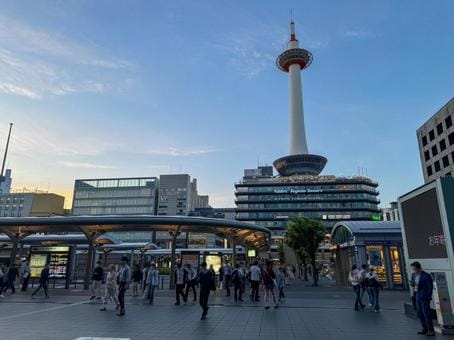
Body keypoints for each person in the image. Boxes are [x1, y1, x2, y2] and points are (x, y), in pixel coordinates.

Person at [411, 261, 435, 336]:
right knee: (420, 312)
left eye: (414, 269)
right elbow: (413, 284)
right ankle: (424, 328)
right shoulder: (413, 275)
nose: (414, 270)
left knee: (426, 313)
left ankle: (430, 330)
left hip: (424, 296)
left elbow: (430, 287)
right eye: (413, 269)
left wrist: (428, 296)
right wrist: (412, 284)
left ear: (419, 268)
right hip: (417, 294)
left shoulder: (426, 275)